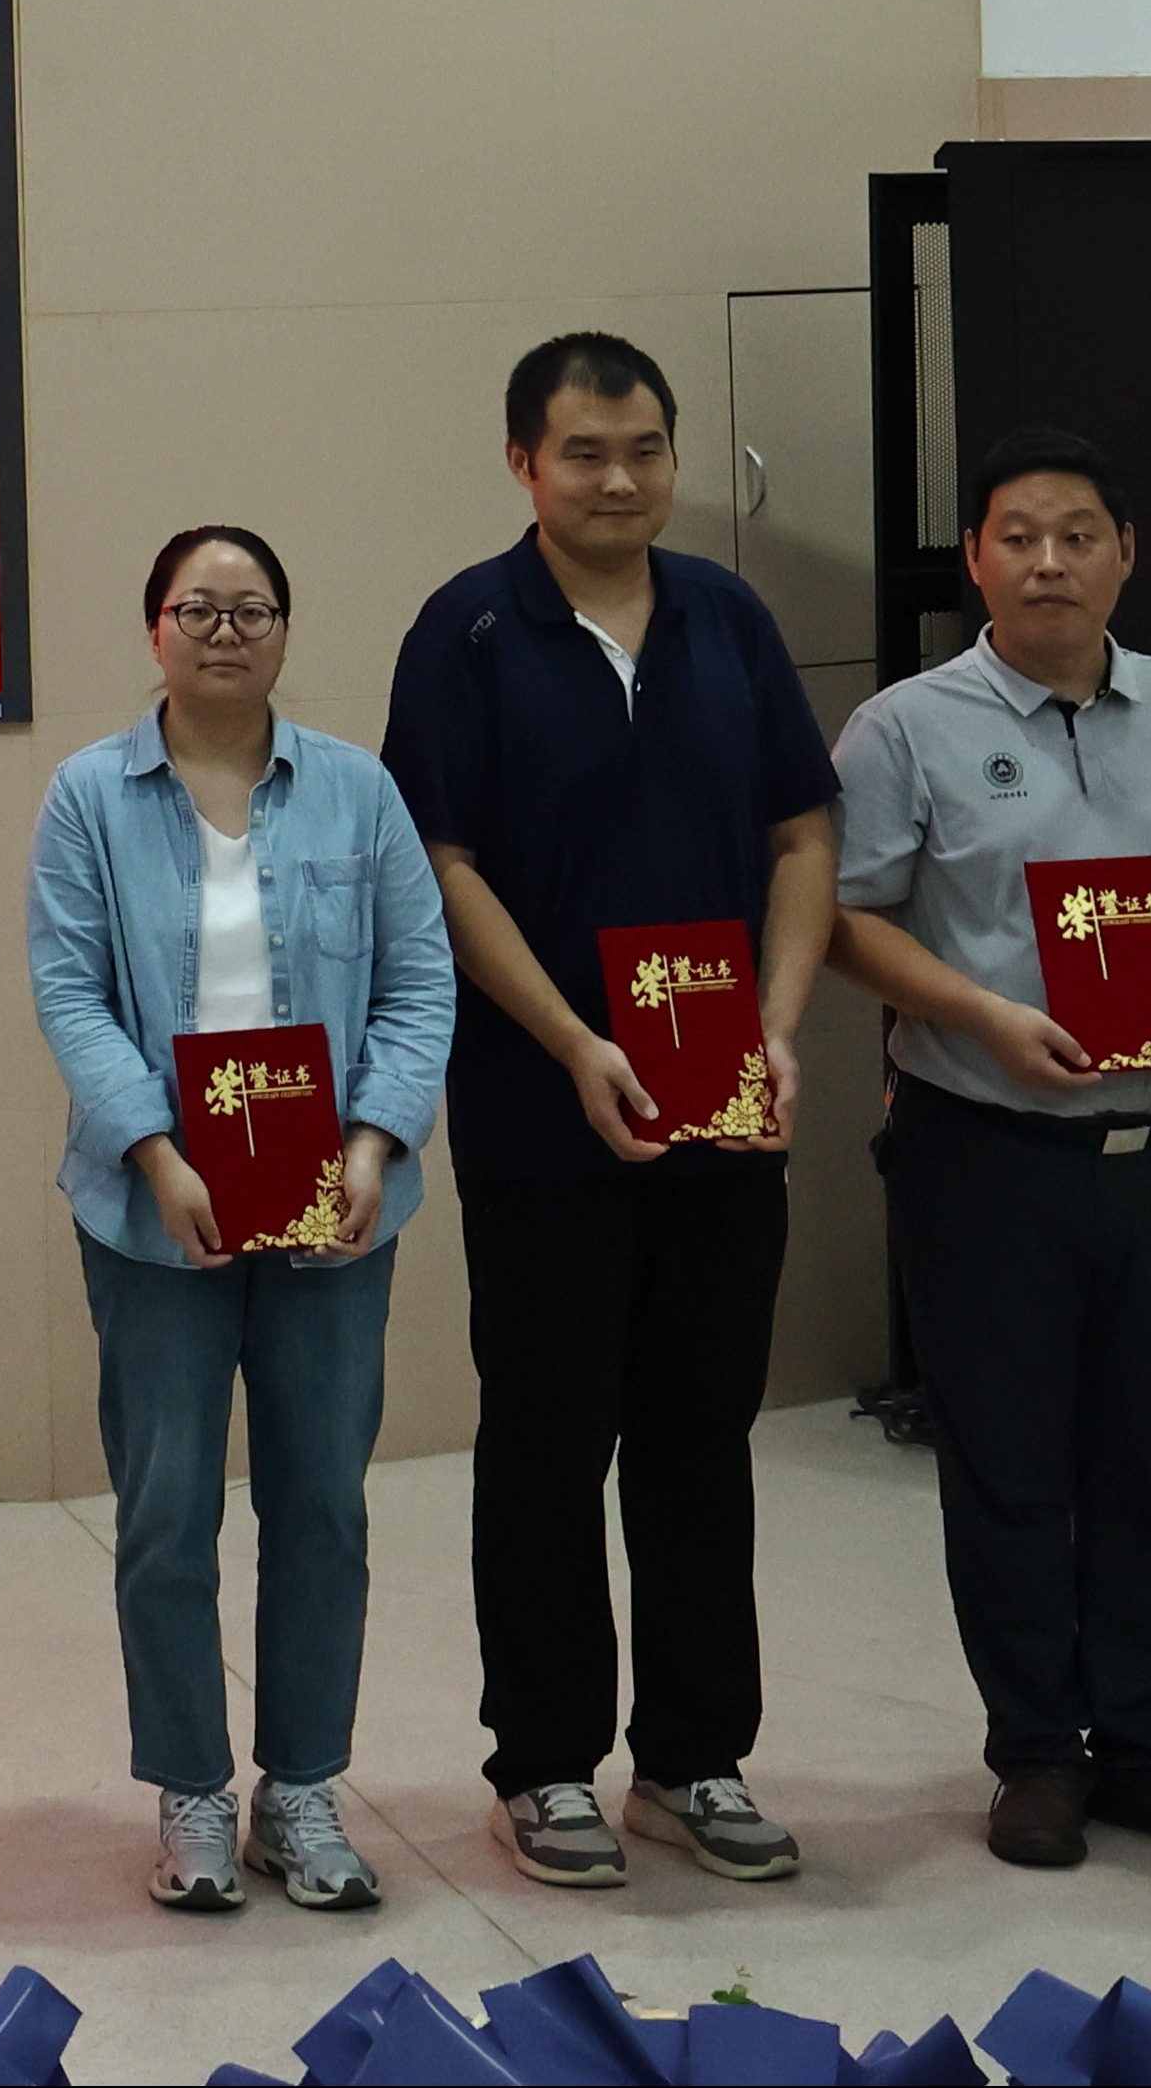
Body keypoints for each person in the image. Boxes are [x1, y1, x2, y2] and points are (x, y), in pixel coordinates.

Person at [382, 334, 836, 1891]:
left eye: (646, 449)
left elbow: (801, 833)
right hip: (543, 1113)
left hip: (725, 1112)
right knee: (548, 1441)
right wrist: (575, 1042)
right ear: (525, 462)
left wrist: (777, 1028)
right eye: (584, 452)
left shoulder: (729, 620)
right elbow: (441, 863)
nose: (620, 480)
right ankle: (547, 1764)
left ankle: (697, 1757)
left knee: (703, 1437)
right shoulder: (467, 630)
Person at [828, 428, 1151, 1870]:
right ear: (975, 559)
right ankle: (1036, 1754)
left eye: (1079, 535)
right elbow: (845, 919)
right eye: (1019, 537)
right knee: (1011, 1470)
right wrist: (981, 1014)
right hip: (989, 1149)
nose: (1050, 562)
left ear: (1125, 555)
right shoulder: (902, 727)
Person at [34, 526, 449, 1917]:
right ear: (153, 628)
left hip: (334, 1207)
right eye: (197, 608)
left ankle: (304, 1790)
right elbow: (70, 990)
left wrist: (375, 1142)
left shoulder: (359, 791)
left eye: (252, 609)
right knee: (164, 1513)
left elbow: (418, 982)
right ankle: (193, 1792)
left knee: (322, 1504)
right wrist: (156, 1153)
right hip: (155, 1213)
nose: (224, 631)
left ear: (284, 630)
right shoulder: (89, 796)